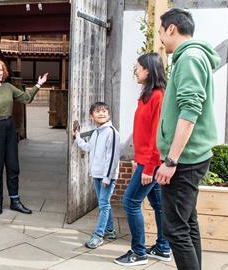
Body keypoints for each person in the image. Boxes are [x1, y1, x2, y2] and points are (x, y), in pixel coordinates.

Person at [155, 8, 220, 270]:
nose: (160, 38)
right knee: (187, 223)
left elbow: (190, 112)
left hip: (184, 160)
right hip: (190, 158)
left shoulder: (190, 58)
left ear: (172, 29)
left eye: (160, 32)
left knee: (175, 230)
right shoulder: (190, 56)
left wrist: (171, 160)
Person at [114, 53, 171, 266]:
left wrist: (148, 166)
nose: (135, 71)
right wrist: (139, 158)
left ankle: (138, 253)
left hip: (152, 163)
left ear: (148, 69)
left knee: (130, 201)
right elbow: (143, 132)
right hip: (146, 160)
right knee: (158, 205)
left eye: (138, 67)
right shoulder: (146, 94)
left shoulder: (159, 95)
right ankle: (163, 248)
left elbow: (158, 135)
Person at [0, 57, 48, 215]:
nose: (0, 73)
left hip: (9, 127)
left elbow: (26, 98)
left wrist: (38, 84)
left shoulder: (8, 87)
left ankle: (15, 200)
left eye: (1, 70)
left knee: (13, 166)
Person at [72, 102, 120, 249]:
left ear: (109, 115)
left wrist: (107, 177)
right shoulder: (96, 133)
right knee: (103, 203)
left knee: (104, 205)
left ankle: (98, 236)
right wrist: (78, 137)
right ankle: (110, 231)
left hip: (107, 176)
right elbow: (88, 148)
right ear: (92, 116)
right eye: (98, 111)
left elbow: (112, 156)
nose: (101, 114)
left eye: (104, 111)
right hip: (97, 174)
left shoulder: (111, 132)